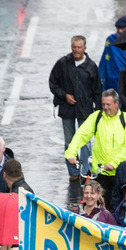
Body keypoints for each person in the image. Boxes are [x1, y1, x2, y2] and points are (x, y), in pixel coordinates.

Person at [65, 89, 126, 208]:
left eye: (108, 104)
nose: (105, 107)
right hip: (100, 173)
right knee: (99, 207)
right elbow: (81, 134)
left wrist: (114, 162)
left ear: (116, 103)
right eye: (103, 104)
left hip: (121, 172)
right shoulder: (97, 117)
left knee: (120, 207)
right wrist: (71, 152)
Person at [51, 35, 103, 184]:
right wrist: (64, 95)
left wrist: (98, 111)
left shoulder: (91, 66)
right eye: (74, 47)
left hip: (85, 110)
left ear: (84, 48)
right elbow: (53, 83)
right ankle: (73, 171)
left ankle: (85, 171)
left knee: (85, 142)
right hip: (67, 109)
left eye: (79, 47)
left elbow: (97, 90)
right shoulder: (63, 63)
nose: (76, 50)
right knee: (69, 142)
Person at [99, 16, 126, 93]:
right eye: (118, 28)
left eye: (122, 28)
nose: (119, 31)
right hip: (113, 81)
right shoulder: (111, 40)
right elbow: (104, 62)